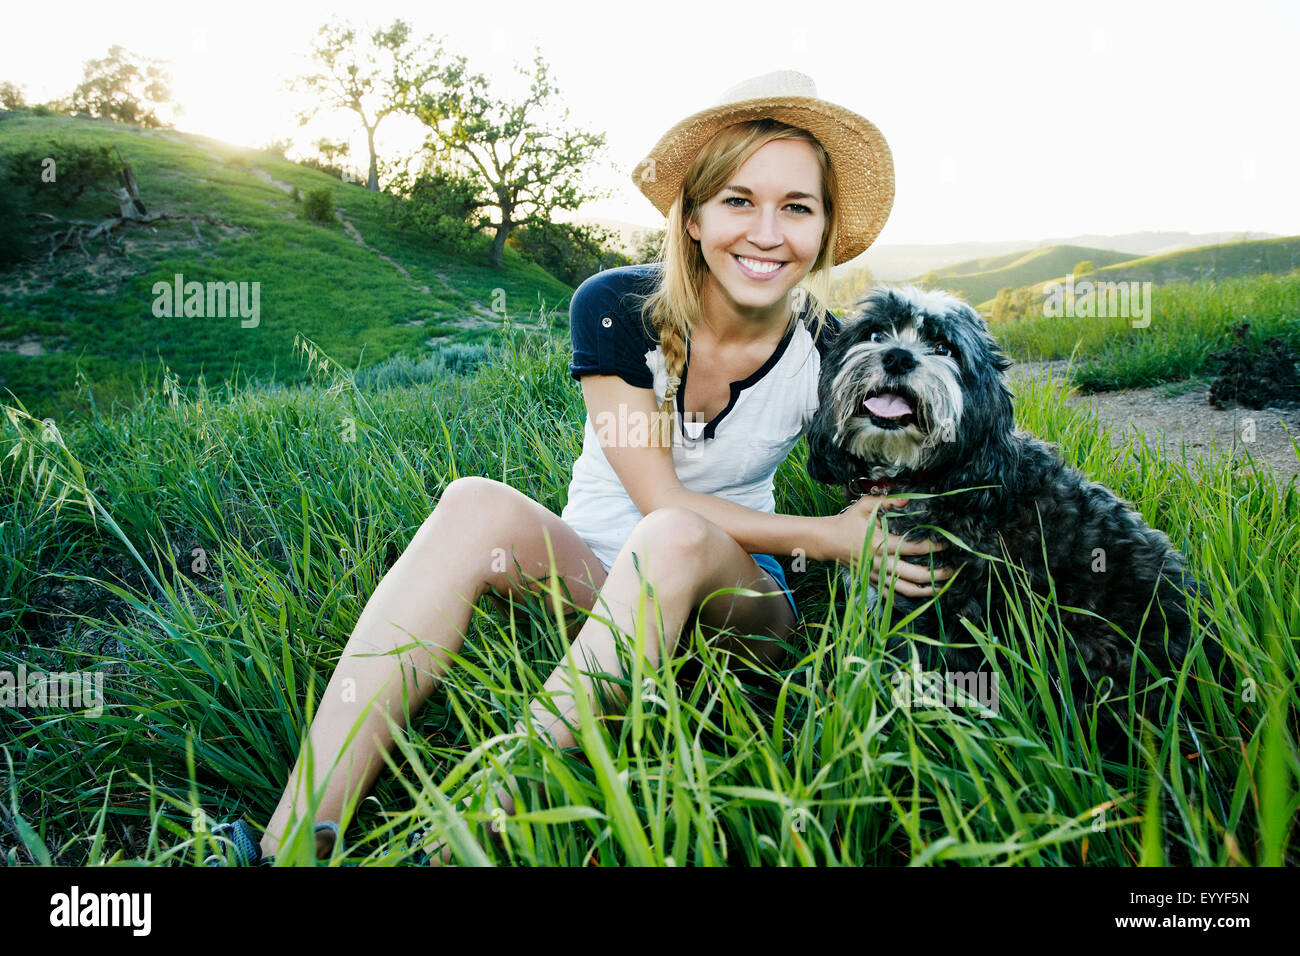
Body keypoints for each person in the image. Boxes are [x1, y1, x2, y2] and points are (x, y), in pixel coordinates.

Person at [204, 69, 952, 867]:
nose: (766, 232)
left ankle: (455, 842)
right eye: (738, 200)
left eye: (796, 207)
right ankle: (291, 842)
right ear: (693, 217)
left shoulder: (832, 351)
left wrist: (878, 536)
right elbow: (655, 493)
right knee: (473, 504)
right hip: (594, 584)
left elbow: (906, 471)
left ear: (824, 229)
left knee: (672, 537)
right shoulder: (614, 305)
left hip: (735, 617)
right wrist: (830, 536)